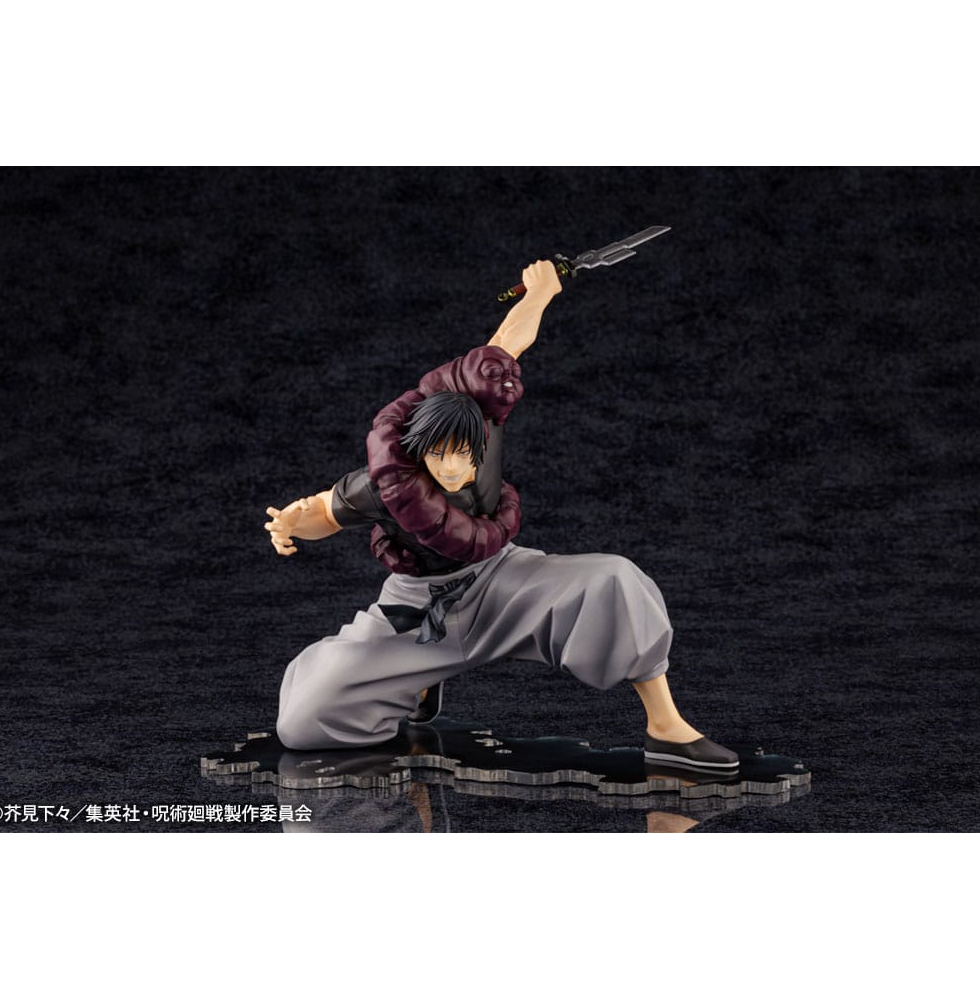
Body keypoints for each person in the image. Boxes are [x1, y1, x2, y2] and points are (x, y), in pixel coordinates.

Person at [266, 261, 737, 770]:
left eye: (462, 455)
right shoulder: (387, 482)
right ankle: (417, 681)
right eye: (438, 455)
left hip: (500, 578)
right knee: (303, 720)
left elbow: (507, 341)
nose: (452, 467)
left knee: (615, 580)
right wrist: (291, 522)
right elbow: (324, 509)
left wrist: (541, 291)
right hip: (418, 605)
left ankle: (666, 727)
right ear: (419, 449)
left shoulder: (482, 413)